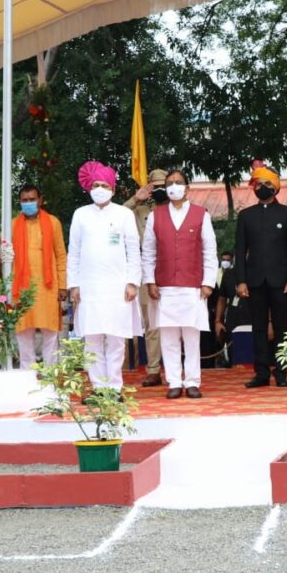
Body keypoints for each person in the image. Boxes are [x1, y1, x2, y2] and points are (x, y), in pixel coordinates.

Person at [142, 170, 217, 399]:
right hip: (164, 286)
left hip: (193, 285)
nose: (174, 186)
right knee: (168, 337)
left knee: (192, 336)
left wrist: (208, 282)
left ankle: (193, 381)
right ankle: (174, 382)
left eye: (178, 182)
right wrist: (150, 281)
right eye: (169, 183)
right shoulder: (155, 216)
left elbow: (209, 250)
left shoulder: (200, 214)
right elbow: (148, 251)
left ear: (187, 188)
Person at [68, 161, 142, 393]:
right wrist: (74, 285)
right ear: (89, 187)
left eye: (104, 185)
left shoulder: (124, 214)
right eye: (95, 185)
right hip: (88, 288)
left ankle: (115, 389)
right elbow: (74, 252)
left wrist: (132, 282)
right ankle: (99, 388)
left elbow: (133, 250)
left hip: (117, 287)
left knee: (116, 340)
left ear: (112, 188)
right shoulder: (80, 214)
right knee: (92, 341)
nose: (99, 189)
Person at [234, 162, 287, 388]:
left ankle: (281, 373)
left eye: (266, 183)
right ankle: (261, 373)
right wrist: (240, 280)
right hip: (254, 280)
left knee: (282, 329)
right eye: (258, 183)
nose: (261, 187)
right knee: (259, 328)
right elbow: (239, 251)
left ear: (275, 187)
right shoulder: (245, 216)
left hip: (281, 281)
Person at [12, 184, 68, 369]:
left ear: (40, 200)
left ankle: (50, 377)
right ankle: (26, 377)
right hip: (22, 286)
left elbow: (60, 255)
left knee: (50, 331)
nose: (28, 203)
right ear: (19, 202)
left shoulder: (53, 222)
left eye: (32, 199)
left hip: (48, 285)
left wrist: (62, 285)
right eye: (24, 200)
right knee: (23, 332)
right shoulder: (12, 224)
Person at [125, 168, 170, 387]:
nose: (161, 190)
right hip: (146, 268)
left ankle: (175, 371)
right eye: (156, 187)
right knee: (151, 322)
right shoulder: (140, 209)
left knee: (175, 321)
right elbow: (115, 218)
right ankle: (153, 370)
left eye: (165, 186)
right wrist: (136, 198)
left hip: (172, 267)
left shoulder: (177, 207)